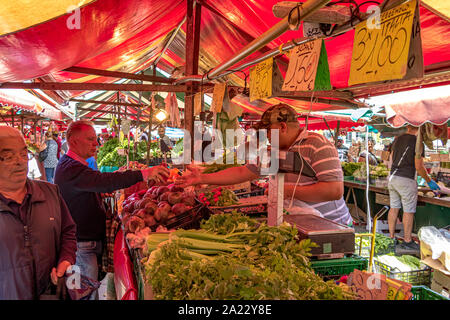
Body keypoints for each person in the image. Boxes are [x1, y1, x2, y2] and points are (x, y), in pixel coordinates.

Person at [177, 104, 353, 226]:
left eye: (267, 130)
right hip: (297, 221)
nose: (266, 136)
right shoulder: (273, 150)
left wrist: (284, 189)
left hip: (330, 226)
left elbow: (334, 190)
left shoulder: (317, 144)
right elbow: (242, 172)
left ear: (282, 127)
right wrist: (202, 177)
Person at [54, 120, 169, 299]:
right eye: (90, 139)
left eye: (95, 139)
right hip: (80, 247)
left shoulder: (72, 165)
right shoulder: (70, 168)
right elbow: (104, 181)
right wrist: (143, 174)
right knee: (82, 294)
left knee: (85, 291)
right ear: (74, 141)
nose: (96, 144)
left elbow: (91, 187)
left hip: (84, 244)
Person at [0, 126, 77, 300]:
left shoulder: (50, 193)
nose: (20, 161)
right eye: (8, 156)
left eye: (22, 154)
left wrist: (66, 258)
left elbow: (68, 232)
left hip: (51, 295)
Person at [387, 125, 440, 252]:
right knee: (408, 211)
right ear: (420, 128)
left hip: (393, 178)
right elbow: (419, 166)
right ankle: (407, 240)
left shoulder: (397, 139)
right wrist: (429, 181)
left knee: (394, 208)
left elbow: (390, 158)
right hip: (406, 179)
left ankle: (391, 238)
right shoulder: (417, 142)